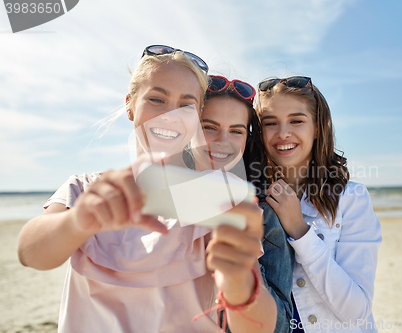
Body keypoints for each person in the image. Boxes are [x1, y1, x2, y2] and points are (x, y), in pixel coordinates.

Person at [17, 45, 276, 333]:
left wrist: (240, 281)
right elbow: (30, 253)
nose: (171, 115)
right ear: (130, 104)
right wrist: (79, 221)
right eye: (157, 99)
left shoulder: (220, 199)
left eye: (186, 105)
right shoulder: (86, 188)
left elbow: (258, 328)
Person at [255, 76, 382, 333]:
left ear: (318, 128)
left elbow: (357, 312)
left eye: (296, 121)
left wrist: (300, 231)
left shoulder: (351, 198)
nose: (283, 133)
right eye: (271, 123)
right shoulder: (252, 200)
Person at [188, 75, 295, 332]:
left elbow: (282, 327)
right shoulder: (156, 199)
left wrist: (246, 274)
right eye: (209, 127)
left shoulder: (263, 213)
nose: (223, 140)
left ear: (247, 139)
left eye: (236, 130)